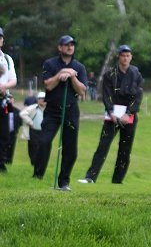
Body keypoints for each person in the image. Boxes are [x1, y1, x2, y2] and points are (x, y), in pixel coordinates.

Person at [78, 45, 143, 185]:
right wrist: (110, 111)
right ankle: (90, 177)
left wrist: (128, 113)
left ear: (131, 57)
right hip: (112, 115)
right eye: (123, 55)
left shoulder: (136, 73)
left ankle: (117, 181)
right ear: (118, 57)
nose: (125, 58)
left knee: (125, 149)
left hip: (129, 116)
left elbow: (138, 96)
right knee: (103, 145)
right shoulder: (110, 74)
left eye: (128, 56)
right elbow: (107, 95)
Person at [33, 35, 87, 191]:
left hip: (71, 109)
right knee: (44, 141)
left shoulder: (79, 67)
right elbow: (48, 86)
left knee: (70, 148)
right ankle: (38, 176)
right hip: (53, 110)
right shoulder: (49, 64)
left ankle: (64, 182)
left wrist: (72, 76)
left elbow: (82, 91)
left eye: (72, 45)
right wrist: (61, 73)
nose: (70, 47)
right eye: (66, 44)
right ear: (60, 47)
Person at [0, 26, 17, 173]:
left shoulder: (7, 58)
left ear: (2, 40)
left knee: (5, 134)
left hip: (2, 101)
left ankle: (0, 161)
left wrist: (5, 86)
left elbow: (13, 80)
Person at [20, 91, 47, 166]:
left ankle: (40, 162)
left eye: (45, 99)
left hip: (44, 131)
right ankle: (34, 162)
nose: (43, 100)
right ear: (38, 100)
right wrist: (30, 122)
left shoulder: (48, 109)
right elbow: (23, 114)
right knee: (33, 146)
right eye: (41, 99)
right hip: (34, 130)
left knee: (43, 146)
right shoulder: (33, 107)